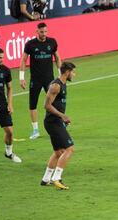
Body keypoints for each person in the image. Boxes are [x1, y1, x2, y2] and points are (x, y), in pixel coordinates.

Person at [20, 22, 62, 140]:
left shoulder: (52, 42)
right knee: (32, 104)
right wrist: (21, 77)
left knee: (54, 103)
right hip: (35, 80)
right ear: (36, 31)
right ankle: (35, 130)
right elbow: (23, 60)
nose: (44, 34)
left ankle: (58, 125)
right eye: (41, 32)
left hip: (49, 79)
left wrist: (60, 75)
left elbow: (57, 58)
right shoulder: (30, 44)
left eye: (45, 32)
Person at [40, 62, 76, 190]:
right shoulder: (56, 86)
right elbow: (47, 105)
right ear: (67, 72)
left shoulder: (63, 84)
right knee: (70, 148)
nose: (74, 74)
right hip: (53, 122)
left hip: (56, 121)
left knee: (58, 152)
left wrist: (62, 118)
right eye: (73, 72)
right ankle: (56, 178)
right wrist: (62, 116)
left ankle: (46, 179)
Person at [0, 48, 22, 163]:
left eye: (3, 57)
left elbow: (10, 87)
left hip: (1, 104)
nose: (2, 60)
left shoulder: (6, 70)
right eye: (0, 57)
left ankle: (9, 153)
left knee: (10, 132)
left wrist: (10, 104)